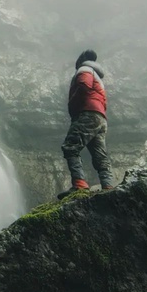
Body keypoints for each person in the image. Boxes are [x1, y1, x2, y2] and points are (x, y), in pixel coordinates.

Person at [57, 49, 114, 199]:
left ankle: (79, 185)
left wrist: (74, 104)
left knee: (71, 146)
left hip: (87, 114)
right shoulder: (99, 78)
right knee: (100, 155)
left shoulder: (84, 69)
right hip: (100, 118)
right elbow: (103, 100)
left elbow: (84, 86)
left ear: (81, 59)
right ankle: (108, 186)